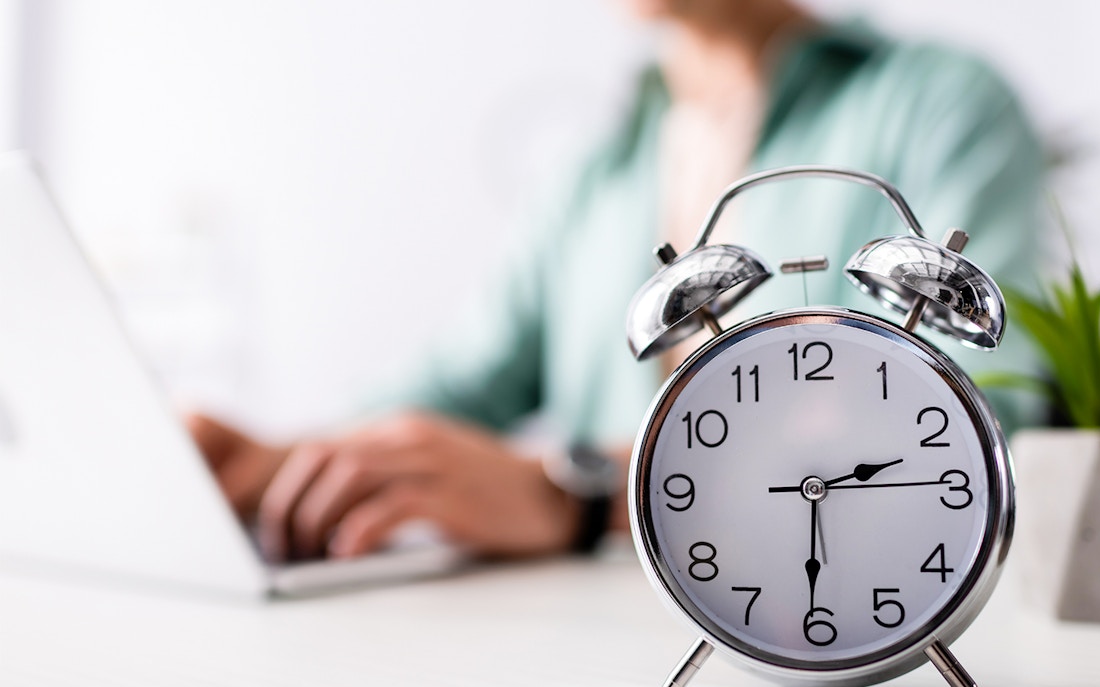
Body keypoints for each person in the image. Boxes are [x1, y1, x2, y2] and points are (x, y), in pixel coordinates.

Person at [190, 0, 1046, 563]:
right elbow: (464, 382)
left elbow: (974, 419)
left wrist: (576, 494)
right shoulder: (592, 174)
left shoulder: (940, 105)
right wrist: (287, 462)